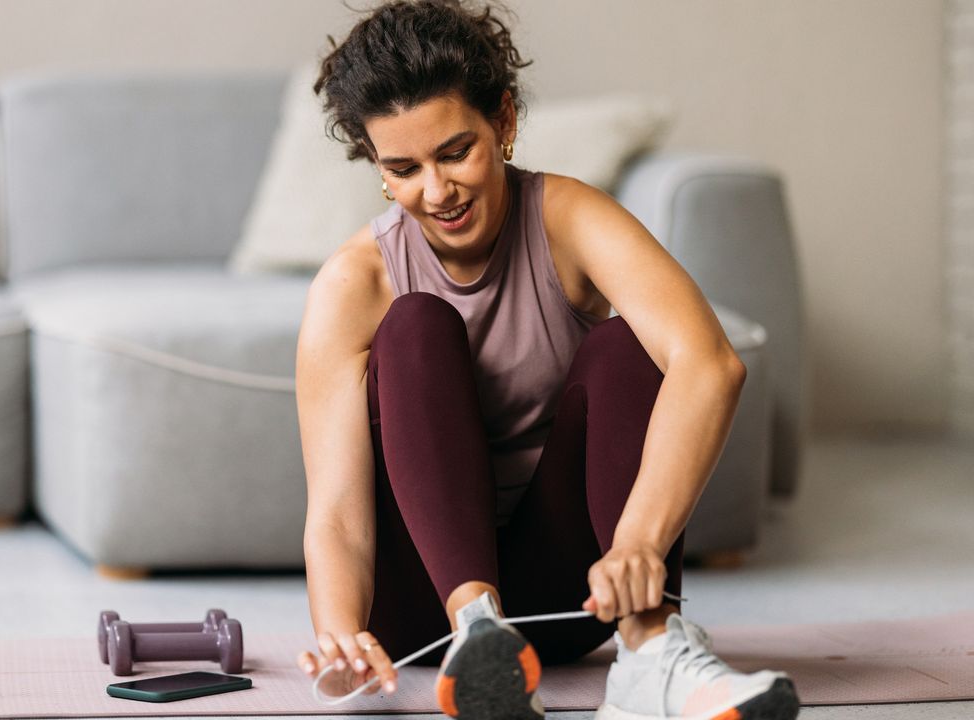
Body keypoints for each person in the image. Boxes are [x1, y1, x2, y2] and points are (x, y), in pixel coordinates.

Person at [292, 1, 799, 719]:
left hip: (570, 592)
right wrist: (341, 635)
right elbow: (339, 515)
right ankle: (480, 636)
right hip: (425, 611)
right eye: (403, 168)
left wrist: (639, 546)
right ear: (376, 166)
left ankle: (649, 651)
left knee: (627, 344)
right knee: (414, 325)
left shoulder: (568, 218)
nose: (436, 193)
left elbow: (709, 362)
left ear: (503, 122)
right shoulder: (354, 283)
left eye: (455, 152)